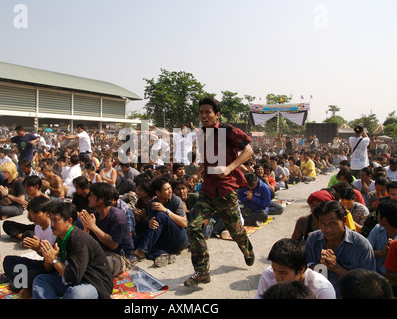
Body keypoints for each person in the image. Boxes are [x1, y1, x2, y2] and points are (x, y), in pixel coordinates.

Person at [185, 97, 255, 287]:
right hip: (207, 190)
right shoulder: (201, 134)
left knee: (235, 230)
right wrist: (197, 175)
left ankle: (247, 250)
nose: (204, 115)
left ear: (217, 115)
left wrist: (230, 168)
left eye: (208, 112)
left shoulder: (227, 130)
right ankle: (201, 272)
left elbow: (248, 150)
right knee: (193, 226)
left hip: (225, 189)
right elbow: (206, 160)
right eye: (201, 112)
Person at [31, 201, 113, 299]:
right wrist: (48, 259)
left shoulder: (79, 240)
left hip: (93, 283)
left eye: (56, 220)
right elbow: (49, 269)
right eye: (51, 220)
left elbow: (73, 276)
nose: (51, 225)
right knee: (40, 280)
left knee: (76, 294)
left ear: (69, 221)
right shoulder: (59, 238)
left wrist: (54, 260)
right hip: (69, 282)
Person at [305, 200, 376, 298]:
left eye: (333, 223)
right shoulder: (313, 240)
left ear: (343, 220)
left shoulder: (361, 246)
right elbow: (305, 271)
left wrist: (336, 268)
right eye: (323, 224)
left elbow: (368, 284)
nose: (328, 229)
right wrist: (320, 266)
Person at [78, 182, 133, 277]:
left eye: (91, 196)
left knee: (92, 269)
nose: (88, 198)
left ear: (101, 200)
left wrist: (93, 226)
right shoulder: (96, 215)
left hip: (119, 257)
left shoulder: (117, 216)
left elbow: (113, 245)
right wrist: (86, 228)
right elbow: (88, 242)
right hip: (101, 253)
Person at [132, 177, 189, 267]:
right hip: (166, 240)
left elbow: (184, 223)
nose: (170, 191)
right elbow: (153, 230)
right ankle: (162, 255)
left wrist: (166, 210)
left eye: (170, 188)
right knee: (139, 240)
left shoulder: (176, 200)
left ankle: (141, 252)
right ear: (158, 193)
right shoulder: (152, 203)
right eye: (166, 189)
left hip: (180, 238)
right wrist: (149, 222)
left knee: (161, 216)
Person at [3, 196, 54, 294]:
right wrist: (37, 249)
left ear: (47, 213)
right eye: (31, 212)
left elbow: (52, 262)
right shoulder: (37, 228)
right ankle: (21, 283)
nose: (32, 216)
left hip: (53, 268)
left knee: (33, 275)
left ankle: (19, 284)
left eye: (36, 213)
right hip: (43, 264)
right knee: (8, 261)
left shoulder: (54, 228)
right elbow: (41, 256)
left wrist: (39, 248)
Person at [255, 238, 335, 299]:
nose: (277, 278)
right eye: (274, 270)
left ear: (301, 269)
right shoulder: (268, 274)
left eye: (283, 273)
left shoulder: (322, 290)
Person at [367, 199, 397, 275]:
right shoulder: (377, 230)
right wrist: (381, 253)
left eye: (378, 215)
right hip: (376, 276)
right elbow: (364, 252)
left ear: (384, 220)